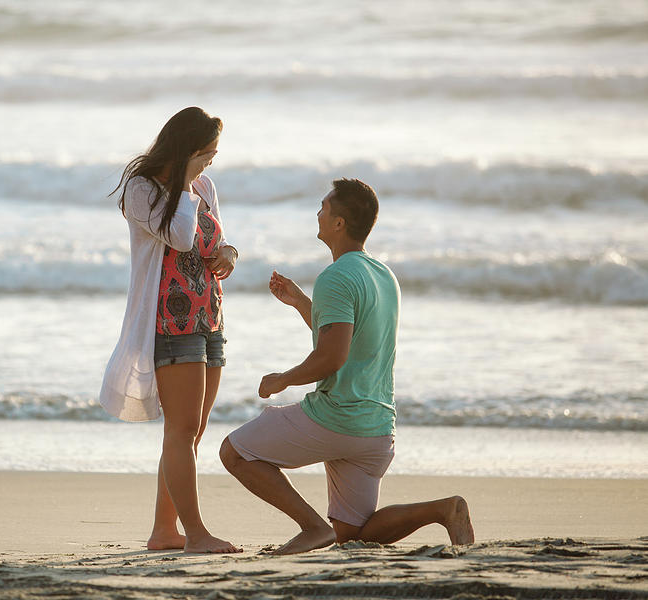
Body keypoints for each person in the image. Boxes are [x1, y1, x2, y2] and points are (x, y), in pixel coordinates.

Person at [219, 178, 474, 555]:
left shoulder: (335, 276)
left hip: (336, 419)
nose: (318, 212)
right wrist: (302, 302)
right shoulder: (384, 275)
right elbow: (351, 342)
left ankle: (311, 529)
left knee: (234, 452)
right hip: (376, 430)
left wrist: (281, 380)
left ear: (338, 223)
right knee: (353, 534)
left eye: (324, 206)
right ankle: (444, 509)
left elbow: (331, 358)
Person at [100, 107, 241, 554]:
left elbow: (212, 241)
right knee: (179, 429)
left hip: (208, 316)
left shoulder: (203, 186)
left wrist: (230, 254)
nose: (211, 164)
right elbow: (180, 237)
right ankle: (196, 534)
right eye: (207, 155)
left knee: (193, 429)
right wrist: (183, 183)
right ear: (187, 150)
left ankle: (165, 531)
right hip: (168, 318)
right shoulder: (143, 190)